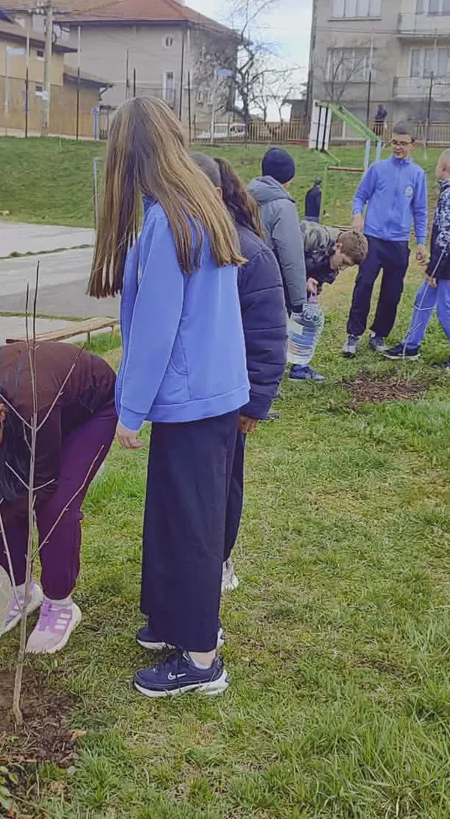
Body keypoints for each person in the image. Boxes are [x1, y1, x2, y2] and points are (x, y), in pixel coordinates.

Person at [88, 96, 248, 698]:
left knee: (191, 526)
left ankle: (202, 661)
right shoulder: (198, 208)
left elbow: (156, 329)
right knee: (174, 516)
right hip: (211, 392)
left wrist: (129, 411)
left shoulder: (167, 222)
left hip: (193, 397)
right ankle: (169, 620)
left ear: (130, 158)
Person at [0, 342, 117, 655]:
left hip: (91, 410)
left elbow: (42, 483)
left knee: (56, 505)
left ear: (1, 415)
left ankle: (60, 606)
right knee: (3, 493)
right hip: (32, 417)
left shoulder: (33, 402)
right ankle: (18, 592)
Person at [192, 153, 287, 594]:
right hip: (199, 394)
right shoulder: (195, 243)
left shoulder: (248, 251)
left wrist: (255, 401)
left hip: (234, 397)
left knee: (225, 483)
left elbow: (268, 332)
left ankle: (222, 558)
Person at [384, 147, 450, 367]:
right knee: (423, 298)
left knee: (445, 306)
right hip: (447, 263)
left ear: (444, 167)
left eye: (438, 164)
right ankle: (411, 345)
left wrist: (433, 270)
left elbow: (446, 238)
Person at [344, 122, 429, 357]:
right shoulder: (378, 168)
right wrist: (358, 214)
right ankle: (353, 335)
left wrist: (421, 241)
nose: (398, 147)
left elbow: (420, 211)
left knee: (392, 292)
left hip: (399, 242)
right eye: (394, 142)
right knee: (363, 285)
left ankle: (379, 334)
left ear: (413, 145)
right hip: (372, 238)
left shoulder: (418, 175)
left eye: (403, 143)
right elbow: (360, 196)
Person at [292, 220, 367, 381]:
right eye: (344, 262)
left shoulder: (335, 263)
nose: (343, 268)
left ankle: (299, 366)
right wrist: (300, 281)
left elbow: (320, 279)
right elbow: (281, 256)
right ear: (338, 247)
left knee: (304, 319)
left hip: (300, 284)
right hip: (274, 276)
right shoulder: (311, 235)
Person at [248, 147, 309, 317]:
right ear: (288, 177)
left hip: (244, 278)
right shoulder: (283, 207)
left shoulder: (246, 196)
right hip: (270, 282)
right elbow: (291, 256)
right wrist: (298, 302)